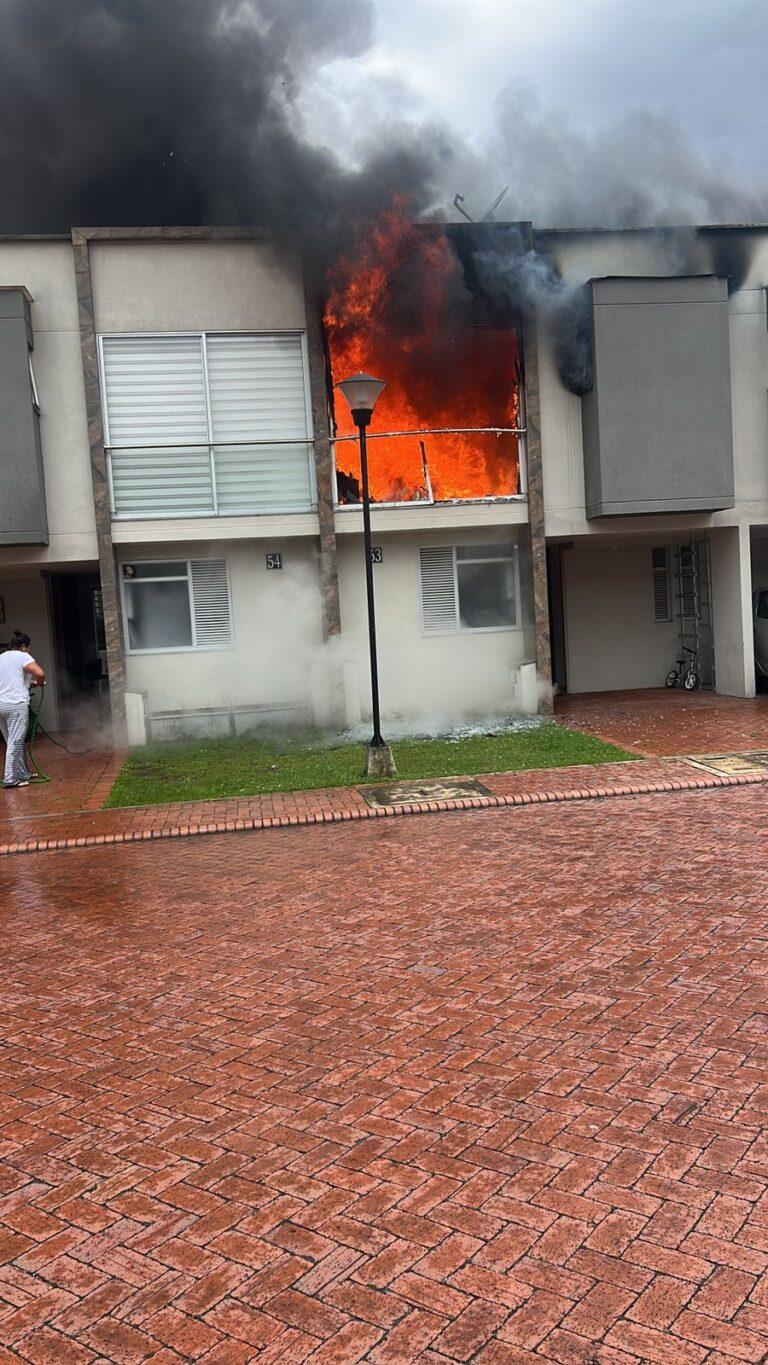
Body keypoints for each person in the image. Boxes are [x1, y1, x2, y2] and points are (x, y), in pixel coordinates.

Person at [0, 630, 45, 789]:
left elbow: (10, 681)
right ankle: (10, 779)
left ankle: (23, 773)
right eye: (28, 647)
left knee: (12, 741)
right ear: (23, 646)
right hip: (16, 704)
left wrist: (31, 684)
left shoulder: (1, 657)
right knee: (15, 742)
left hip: (1, 705)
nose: (29, 650)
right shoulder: (22, 656)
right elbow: (39, 672)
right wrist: (40, 681)